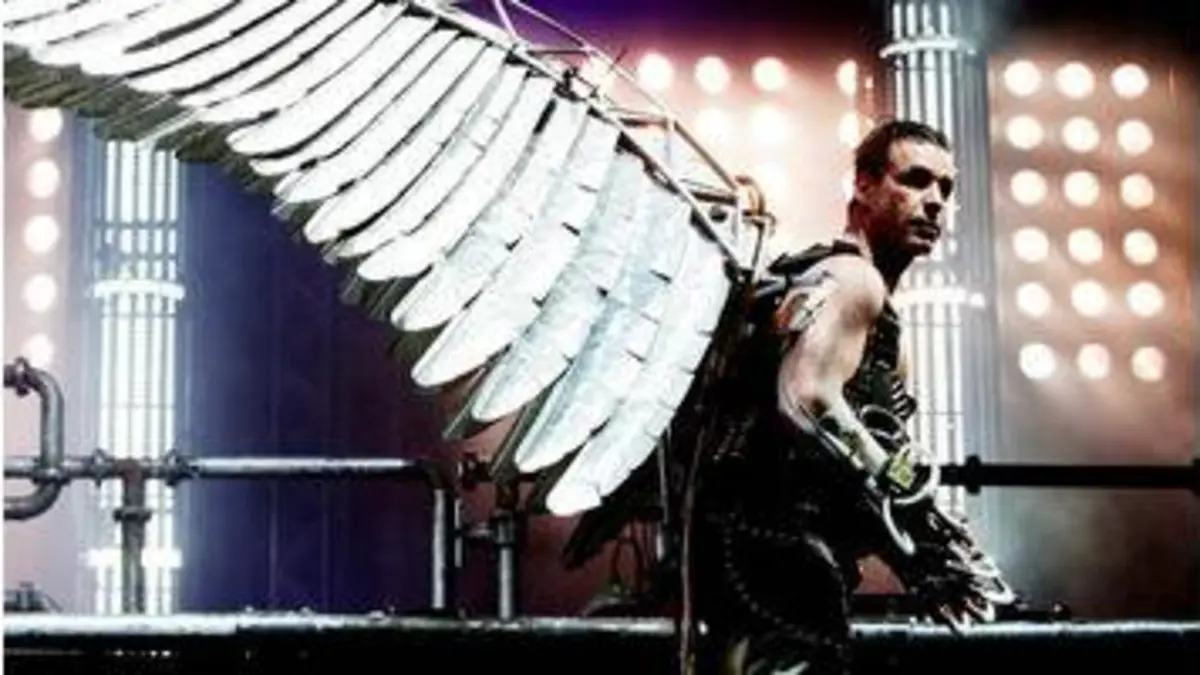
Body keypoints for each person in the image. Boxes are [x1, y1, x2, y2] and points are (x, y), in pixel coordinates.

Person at [687, 119, 1007, 675]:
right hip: (778, 557)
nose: (935, 201)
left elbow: (841, 468)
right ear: (863, 185)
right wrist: (909, 503)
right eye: (915, 180)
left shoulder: (829, 285)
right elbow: (807, 400)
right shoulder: (852, 280)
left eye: (946, 188)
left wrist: (913, 553)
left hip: (768, 559)